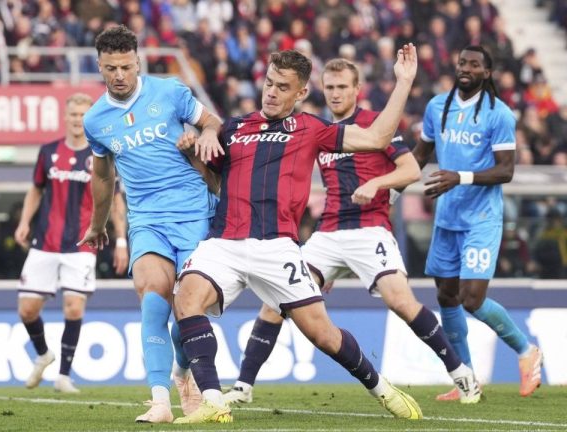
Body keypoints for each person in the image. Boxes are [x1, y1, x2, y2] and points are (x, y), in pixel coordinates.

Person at [172, 47, 422, 424]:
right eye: (269, 83)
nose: (271, 92)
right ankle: (212, 400)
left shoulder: (312, 129)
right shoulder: (234, 128)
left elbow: (377, 136)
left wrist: (403, 83)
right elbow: (215, 181)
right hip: (223, 240)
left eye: (282, 87)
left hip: (276, 247)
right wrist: (195, 155)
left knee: (323, 335)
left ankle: (381, 389)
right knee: (186, 298)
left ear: (300, 93)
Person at [221, 58, 481, 406]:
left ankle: (462, 375)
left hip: (369, 228)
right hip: (328, 234)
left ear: (357, 90)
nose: (336, 94)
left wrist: (377, 183)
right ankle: (243, 387)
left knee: (400, 301)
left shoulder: (374, 125)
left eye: (343, 87)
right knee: (275, 302)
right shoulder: (321, 131)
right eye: (329, 87)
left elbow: (409, 170)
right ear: (319, 90)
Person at [77, 25, 223, 423]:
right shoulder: (96, 120)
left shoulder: (170, 92)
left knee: (187, 311)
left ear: (137, 61)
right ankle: (159, 400)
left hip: (195, 214)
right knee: (153, 299)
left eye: (125, 66)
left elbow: (213, 122)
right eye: (111, 68)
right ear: (100, 67)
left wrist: (203, 136)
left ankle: (182, 372)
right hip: (147, 220)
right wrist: (98, 224)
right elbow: (104, 176)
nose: (119, 75)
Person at [412, 45, 543, 400]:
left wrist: (461, 177)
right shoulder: (437, 106)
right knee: (446, 295)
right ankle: (465, 379)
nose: (465, 68)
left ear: (487, 72)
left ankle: (526, 350)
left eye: (474, 64)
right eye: (461, 62)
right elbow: (420, 155)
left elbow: (506, 170)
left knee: (472, 298)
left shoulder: (499, 114)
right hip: (447, 218)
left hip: (481, 218)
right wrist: (390, 188)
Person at [16, 93, 129, 393]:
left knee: (74, 307)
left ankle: (63, 375)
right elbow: (36, 190)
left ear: (89, 118)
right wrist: (25, 221)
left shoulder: (101, 156)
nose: (78, 120)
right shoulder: (48, 151)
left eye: (83, 114)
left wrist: (120, 241)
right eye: (74, 114)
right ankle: (44, 355)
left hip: (82, 243)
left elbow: (116, 199)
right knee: (27, 310)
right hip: (45, 242)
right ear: (66, 117)